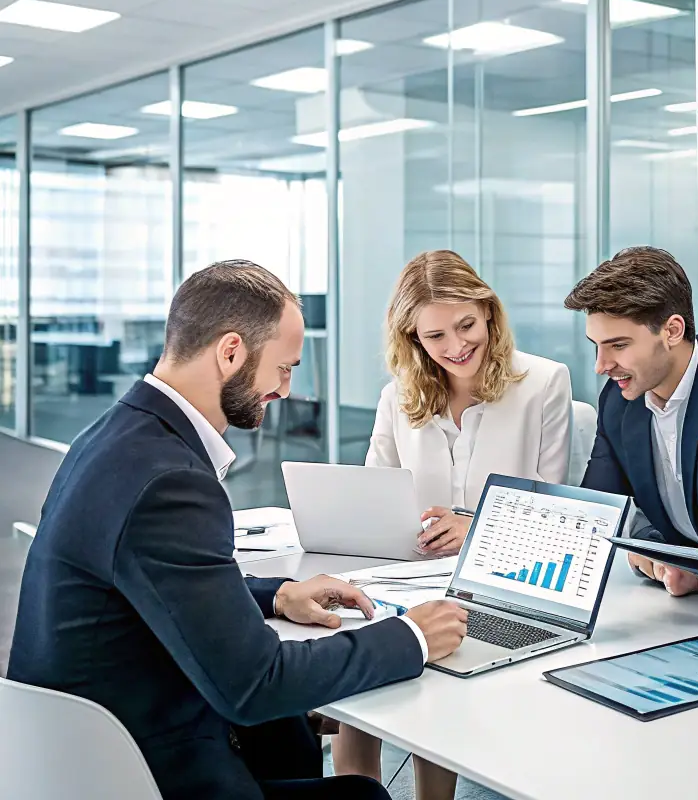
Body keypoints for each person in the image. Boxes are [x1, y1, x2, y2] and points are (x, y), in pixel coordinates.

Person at [7, 260, 468, 800]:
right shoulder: (171, 479)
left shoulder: (116, 435)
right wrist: (411, 637)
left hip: (76, 752)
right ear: (231, 352)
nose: (286, 390)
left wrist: (276, 596)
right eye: (285, 368)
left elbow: (143, 582)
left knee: (291, 734)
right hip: (137, 770)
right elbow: (254, 684)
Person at [334, 248, 572, 798]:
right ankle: (353, 789)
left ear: (488, 312)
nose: (456, 346)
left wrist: (478, 526)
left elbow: (556, 512)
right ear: (414, 339)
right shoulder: (398, 395)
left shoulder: (542, 383)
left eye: (466, 325)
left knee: (418, 639)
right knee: (356, 633)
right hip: (412, 571)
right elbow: (376, 496)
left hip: (506, 575)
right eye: (435, 337)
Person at [563, 246, 698, 598]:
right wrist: (649, 549)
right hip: (679, 604)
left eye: (618, 345)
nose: (600, 365)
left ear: (672, 330)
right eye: (596, 346)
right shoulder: (617, 401)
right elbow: (593, 514)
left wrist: (693, 571)